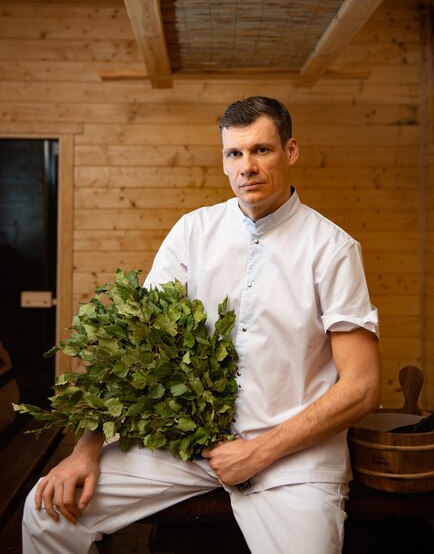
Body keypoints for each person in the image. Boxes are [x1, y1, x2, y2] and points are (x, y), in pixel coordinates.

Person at [22, 96, 381, 554]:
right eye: (234, 153)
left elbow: (363, 387)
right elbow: (135, 348)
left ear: (290, 151)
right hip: (191, 448)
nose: (246, 167)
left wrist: (258, 451)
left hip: (295, 461)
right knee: (47, 510)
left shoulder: (331, 249)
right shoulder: (193, 232)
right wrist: (86, 450)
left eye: (261, 150)